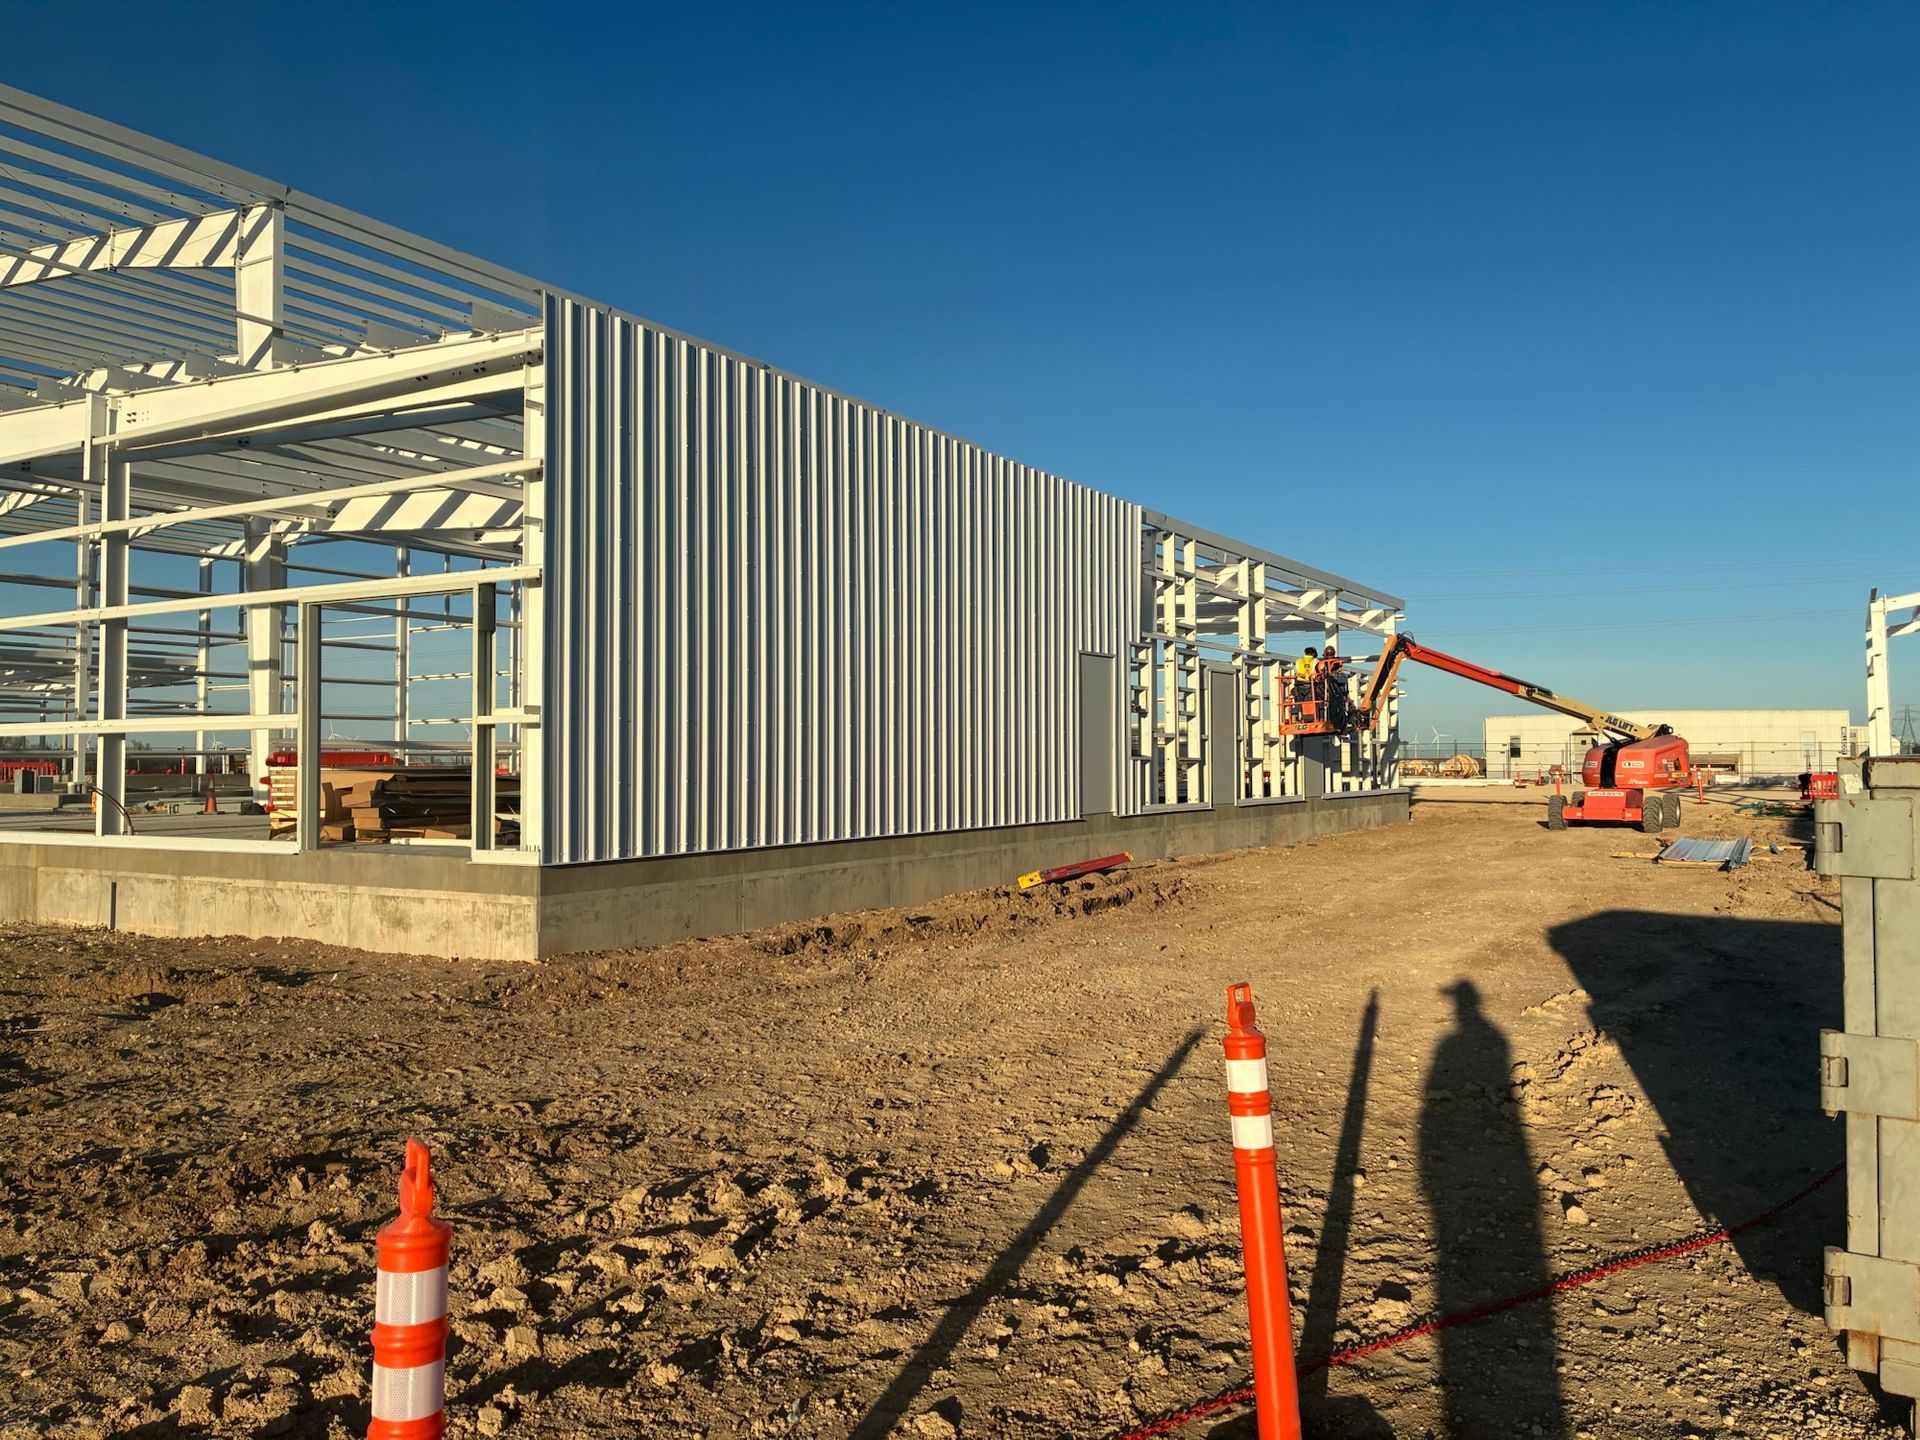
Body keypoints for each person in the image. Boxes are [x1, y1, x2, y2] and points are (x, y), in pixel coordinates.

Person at [1292, 647, 1319, 712]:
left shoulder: (1298, 661)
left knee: (1299, 702)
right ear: (1313, 654)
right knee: (1310, 703)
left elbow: (1296, 674)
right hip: (1311, 684)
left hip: (1299, 684)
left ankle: (1295, 716)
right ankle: (1310, 716)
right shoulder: (1316, 661)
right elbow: (1318, 672)